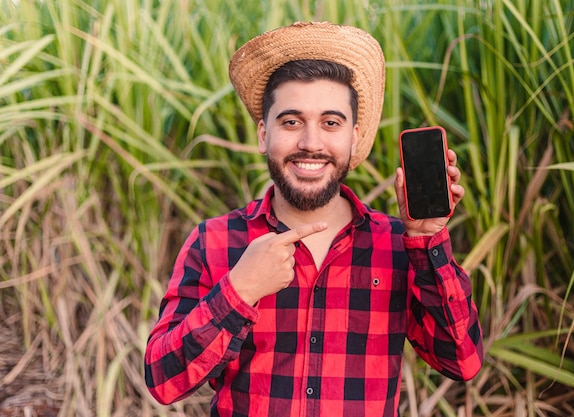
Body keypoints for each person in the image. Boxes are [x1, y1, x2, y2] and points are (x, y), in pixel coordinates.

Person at [144, 21, 483, 416]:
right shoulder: (215, 240)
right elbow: (163, 381)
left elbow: (461, 360)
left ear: (354, 137)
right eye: (291, 122)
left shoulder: (396, 245)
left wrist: (427, 240)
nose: (310, 142)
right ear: (262, 134)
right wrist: (240, 289)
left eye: (330, 123)